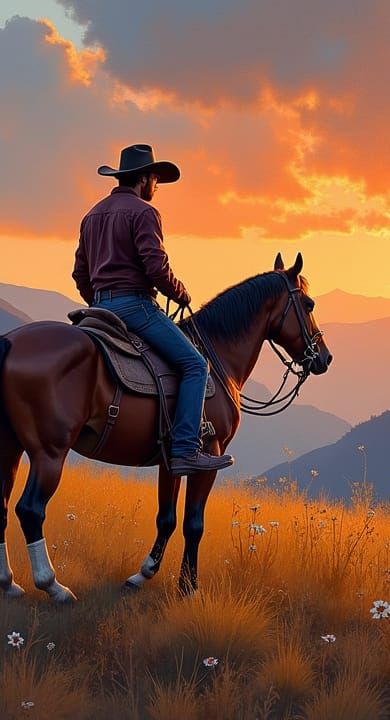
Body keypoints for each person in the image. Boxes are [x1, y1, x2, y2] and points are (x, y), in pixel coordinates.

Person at [72, 143, 234, 475]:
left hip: (99, 309)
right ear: (144, 178)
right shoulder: (144, 213)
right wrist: (180, 293)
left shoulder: (92, 215)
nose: (156, 186)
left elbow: (79, 273)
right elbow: (155, 266)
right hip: (136, 306)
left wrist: (99, 302)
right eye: (156, 180)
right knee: (195, 365)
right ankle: (186, 449)